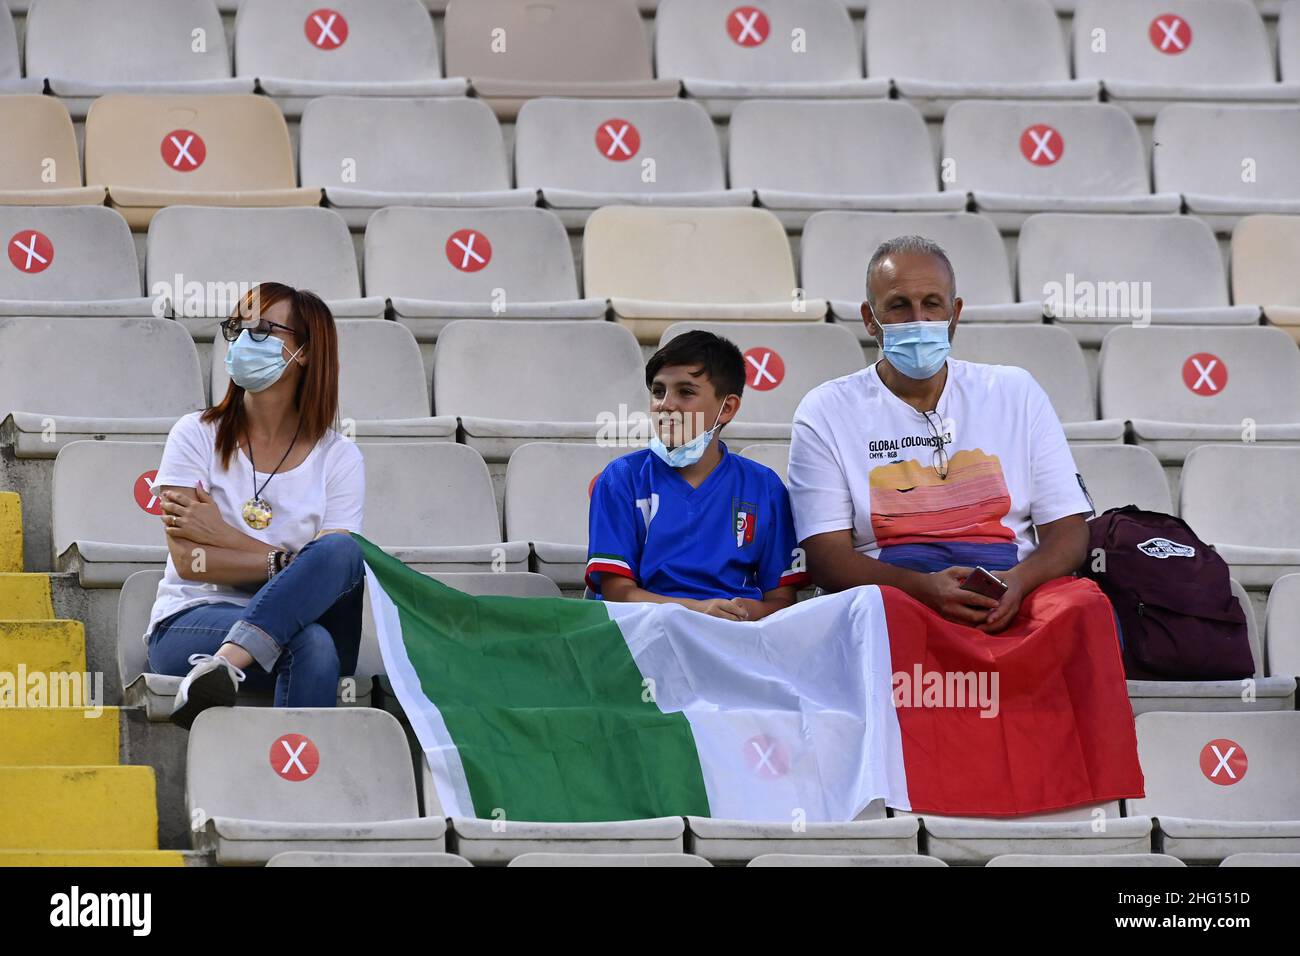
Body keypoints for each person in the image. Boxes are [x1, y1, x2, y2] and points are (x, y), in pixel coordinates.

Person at [788, 236, 1094, 633]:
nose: (919, 319)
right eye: (899, 306)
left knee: (1084, 607)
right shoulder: (826, 410)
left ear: (955, 313)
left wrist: (1018, 583)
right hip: (893, 592)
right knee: (870, 620)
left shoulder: (1015, 392)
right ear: (869, 318)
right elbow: (826, 558)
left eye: (932, 303)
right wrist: (923, 589)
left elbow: (1068, 532)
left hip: (1010, 584)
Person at [144, 282, 366, 728]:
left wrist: (225, 537)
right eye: (237, 328)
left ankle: (224, 664)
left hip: (303, 623)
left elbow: (331, 572)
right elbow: (191, 563)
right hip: (191, 620)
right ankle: (293, 795)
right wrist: (289, 563)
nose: (244, 341)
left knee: (344, 554)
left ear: (303, 351)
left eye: (263, 330)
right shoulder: (194, 434)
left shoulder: (340, 457)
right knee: (313, 644)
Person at [586, 330, 808, 621]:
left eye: (686, 392)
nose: (666, 404)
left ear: (726, 408)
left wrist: (748, 612)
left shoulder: (764, 487)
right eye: (657, 391)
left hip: (736, 638)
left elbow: (781, 601)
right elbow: (618, 593)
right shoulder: (621, 478)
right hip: (646, 634)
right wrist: (698, 611)